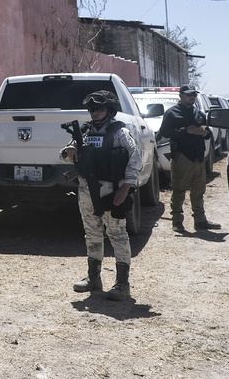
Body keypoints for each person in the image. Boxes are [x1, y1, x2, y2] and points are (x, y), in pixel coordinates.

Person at [60, 90, 142, 301]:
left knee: (117, 234)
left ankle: (122, 284)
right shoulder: (84, 132)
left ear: (109, 110)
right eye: (92, 109)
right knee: (92, 234)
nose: (95, 113)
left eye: (100, 109)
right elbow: (66, 156)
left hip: (112, 190)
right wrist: (69, 150)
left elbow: (135, 158)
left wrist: (126, 187)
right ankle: (93, 279)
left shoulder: (119, 132)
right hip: (87, 189)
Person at [158, 84, 219, 233]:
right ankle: (177, 221)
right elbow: (164, 132)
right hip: (182, 155)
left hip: (198, 156)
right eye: (188, 94)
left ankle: (200, 220)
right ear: (181, 96)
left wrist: (204, 133)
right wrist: (185, 130)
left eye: (193, 95)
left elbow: (208, 132)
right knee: (179, 189)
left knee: (199, 190)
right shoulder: (172, 113)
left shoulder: (198, 113)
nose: (191, 97)